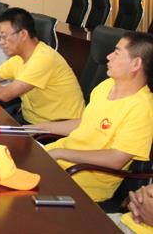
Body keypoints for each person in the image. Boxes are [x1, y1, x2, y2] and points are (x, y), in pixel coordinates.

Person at [38, 32, 153, 202]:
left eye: (117, 53)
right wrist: (40, 127)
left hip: (81, 180)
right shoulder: (107, 85)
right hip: (55, 159)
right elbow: (86, 123)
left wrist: (61, 153)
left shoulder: (142, 109)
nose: (109, 56)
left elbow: (116, 159)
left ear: (136, 64)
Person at [0, 7, 85, 124]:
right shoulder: (19, 57)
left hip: (56, 127)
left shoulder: (43, 58)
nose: (1, 42)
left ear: (23, 34)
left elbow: (6, 94)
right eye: (0, 37)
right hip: (30, 120)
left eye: (4, 36)